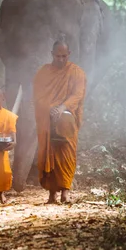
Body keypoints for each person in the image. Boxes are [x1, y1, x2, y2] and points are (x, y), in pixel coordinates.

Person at [33, 40, 86, 204]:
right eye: (58, 56)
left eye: (64, 56)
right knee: (49, 154)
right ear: (52, 54)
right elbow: (37, 95)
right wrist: (50, 109)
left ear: (69, 54)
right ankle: (51, 194)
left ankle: (65, 192)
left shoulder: (77, 72)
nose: (61, 59)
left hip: (67, 121)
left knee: (66, 153)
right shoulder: (43, 73)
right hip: (47, 121)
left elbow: (78, 95)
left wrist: (62, 107)